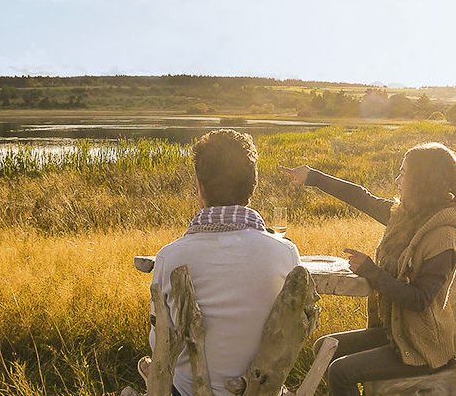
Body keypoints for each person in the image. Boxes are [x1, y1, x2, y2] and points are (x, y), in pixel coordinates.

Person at [281, 142, 455, 396]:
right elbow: (361, 197)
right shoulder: (405, 216)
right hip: (396, 334)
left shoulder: (442, 236)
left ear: (422, 181)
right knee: (325, 347)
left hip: (423, 346)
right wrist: (313, 177)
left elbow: (419, 300)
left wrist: (372, 271)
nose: (397, 179)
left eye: (404, 173)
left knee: (341, 371)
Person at [150, 129, 301, 396]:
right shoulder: (285, 253)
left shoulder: (169, 257)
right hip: (260, 391)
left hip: (188, 392)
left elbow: (159, 343)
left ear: (200, 186)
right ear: (252, 185)